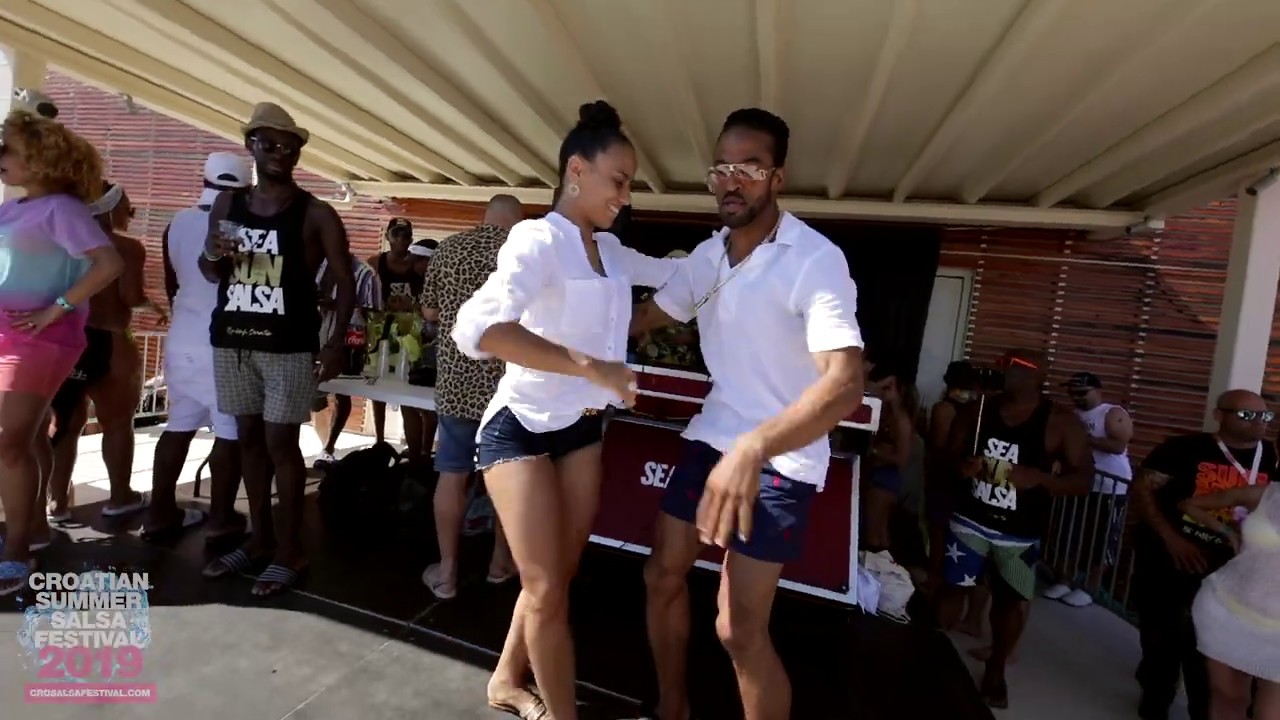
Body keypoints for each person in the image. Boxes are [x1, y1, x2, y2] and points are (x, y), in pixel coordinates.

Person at [631, 108, 865, 720]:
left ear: (777, 177)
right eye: (720, 170)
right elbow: (643, 320)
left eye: (748, 168)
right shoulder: (706, 258)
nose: (731, 182)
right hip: (714, 438)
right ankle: (672, 707)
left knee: (737, 630)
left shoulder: (815, 260)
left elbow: (845, 386)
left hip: (781, 455)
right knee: (661, 576)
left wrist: (755, 448)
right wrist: (556, 343)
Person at [452, 100, 674, 720]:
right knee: (546, 587)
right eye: (619, 181)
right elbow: (479, 330)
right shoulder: (537, 238)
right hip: (516, 430)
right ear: (577, 171)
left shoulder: (611, 252)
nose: (626, 197)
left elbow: (681, 275)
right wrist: (589, 365)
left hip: (580, 432)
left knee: (554, 578)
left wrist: (741, 253)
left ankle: (503, 681)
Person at [198, 102, 354, 597]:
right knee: (247, 441)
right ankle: (259, 537)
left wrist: (334, 343)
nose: (279, 153)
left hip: (288, 346)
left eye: (289, 147)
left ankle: (291, 550)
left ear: (299, 153)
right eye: (269, 144)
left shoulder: (315, 212)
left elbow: (346, 282)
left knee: (281, 445)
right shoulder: (229, 205)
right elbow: (211, 271)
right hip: (234, 341)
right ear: (251, 146)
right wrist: (214, 255)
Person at [0, 109, 123, 594]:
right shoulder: (14, 208)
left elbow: (107, 263)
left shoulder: (63, 209)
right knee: (24, 438)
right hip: (10, 335)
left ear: (40, 157)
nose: (1, 157)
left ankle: (15, 549)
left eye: (8, 148)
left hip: (41, 340)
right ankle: (35, 529)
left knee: (8, 441)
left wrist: (58, 307)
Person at [937, 349, 1093, 709]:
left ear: (1040, 375)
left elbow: (1083, 480)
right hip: (970, 520)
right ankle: (937, 649)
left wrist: (1037, 478)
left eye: (1017, 366)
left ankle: (996, 670)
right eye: (1003, 363)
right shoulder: (978, 409)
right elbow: (948, 454)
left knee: (1010, 602)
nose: (1005, 370)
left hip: (1020, 531)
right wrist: (963, 466)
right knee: (951, 589)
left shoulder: (1060, 421)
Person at [1130, 389, 1275, 720]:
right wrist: (1171, 538)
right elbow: (1142, 489)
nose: (1259, 423)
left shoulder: (1270, 455)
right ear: (1219, 415)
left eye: (1265, 416)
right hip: (1168, 558)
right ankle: (1155, 698)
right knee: (1161, 635)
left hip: (1227, 570)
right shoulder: (1183, 448)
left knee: (1205, 650)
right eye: (1248, 415)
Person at [144, 152, 253, 542]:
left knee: (178, 426)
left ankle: (158, 514)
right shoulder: (243, 226)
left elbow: (172, 283)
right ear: (246, 186)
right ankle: (221, 519)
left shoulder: (176, 222)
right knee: (230, 433)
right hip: (223, 340)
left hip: (182, 337)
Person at [419, 194, 523, 600]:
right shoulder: (524, 254)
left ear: (484, 218)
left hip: (458, 385)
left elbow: (429, 312)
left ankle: (446, 573)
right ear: (516, 222)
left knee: (452, 474)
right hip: (509, 388)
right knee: (506, 479)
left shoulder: (449, 249)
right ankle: (499, 563)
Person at [46, 181, 154, 521]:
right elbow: (131, 298)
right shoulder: (127, 247)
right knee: (118, 422)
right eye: (127, 207)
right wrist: (155, 306)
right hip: (110, 339)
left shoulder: (61, 243)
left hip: (68, 339)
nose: (131, 213)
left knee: (66, 421)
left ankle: (58, 503)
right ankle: (120, 496)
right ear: (108, 208)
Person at [1186, 482, 1280, 720]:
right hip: (1226, 610)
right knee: (1228, 701)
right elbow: (1190, 505)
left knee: (1270, 715)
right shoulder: (1262, 494)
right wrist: (1227, 532)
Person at [1043, 371, 1134, 608]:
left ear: (1096, 390)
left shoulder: (1112, 413)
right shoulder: (1071, 415)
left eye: (1082, 392)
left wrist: (1082, 438)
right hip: (1078, 483)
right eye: (1072, 392)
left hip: (1110, 487)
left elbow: (1117, 445)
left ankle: (1090, 588)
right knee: (1069, 533)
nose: (1077, 397)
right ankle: (1065, 579)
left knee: (1102, 540)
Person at [310, 250, 381, 462]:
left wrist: (342, 306)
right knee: (314, 395)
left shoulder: (365, 274)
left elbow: (375, 313)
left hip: (350, 338)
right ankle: (323, 447)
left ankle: (329, 447)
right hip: (315, 333)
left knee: (342, 393)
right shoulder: (317, 266)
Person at [361, 218, 420, 449]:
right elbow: (364, 295)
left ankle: (415, 450)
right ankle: (380, 442)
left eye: (405, 236)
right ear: (388, 237)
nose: (401, 240)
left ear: (411, 239)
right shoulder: (375, 263)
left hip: (407, 330)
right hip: (380, 327)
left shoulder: (417, 266)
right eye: (396, 235)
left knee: (408, 386)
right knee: (377, 384)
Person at [864, 363, 914, 553]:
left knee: (873, 532)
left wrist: (875, 451)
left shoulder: (901, 420)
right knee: (881, 531)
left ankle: (876, 570)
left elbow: (902, 458)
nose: (884, 392)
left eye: (889, 388)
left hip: (885, 478)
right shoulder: (887, 416)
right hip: (879, 475)